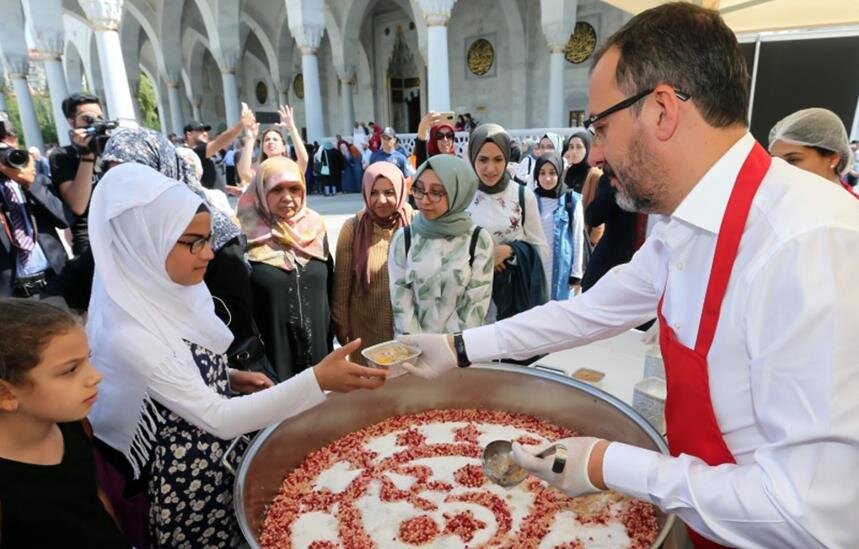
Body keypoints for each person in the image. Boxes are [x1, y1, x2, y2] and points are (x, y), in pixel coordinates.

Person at [396, 4, 859, 548]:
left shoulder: (805, 243)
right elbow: (591, 309)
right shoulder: (681, 224)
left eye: (601, 126)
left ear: (661, 110)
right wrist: (459, 346)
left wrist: (610, 464)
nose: (595, 151)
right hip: (706, 520)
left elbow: (813, 515)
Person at [86, 163, 386, 547]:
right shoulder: (130, 332)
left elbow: (177, 363)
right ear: (147, 243)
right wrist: (317, 380)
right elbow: (217, 416)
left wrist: (225, 377)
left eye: (208, 238)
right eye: (193, 242)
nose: (209, 253)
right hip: (185, 481)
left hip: (214, 461)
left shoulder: (168, 294)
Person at [0, 299, 130, 548]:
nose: (95, 376)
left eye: (87, 359)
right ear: (6, 395)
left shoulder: (71, 423)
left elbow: (92, 496)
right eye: (70, 370)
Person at [238, 156, 335, 381]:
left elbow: (329, 284)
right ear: (261, 191)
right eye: (277, 190)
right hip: (269, 363)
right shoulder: (243, 234)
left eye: (295, 189)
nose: (287, 198)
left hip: (318, 355)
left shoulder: (315, 227)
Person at [389, 155, 493, 334]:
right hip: (413, 352)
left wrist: (446, 348)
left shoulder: (478, 240)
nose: (424, 200)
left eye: (436, 192)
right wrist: (419, 345)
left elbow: (475, 306)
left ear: (457, 192)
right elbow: (401, 302)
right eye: (419, 190)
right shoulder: (404, 239)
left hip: (462, 351)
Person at [332, 162, 413, 363]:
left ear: (401, 191)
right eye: (374, 192)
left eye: (389, 192)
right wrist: (342, 326)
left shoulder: (414, 224)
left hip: (409, 332)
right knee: (370, 388)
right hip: (366, 330)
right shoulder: (353, 228)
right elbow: (341, 285)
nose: (381, 200)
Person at [467, 123, 548, 322]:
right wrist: (485, 259)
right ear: (472, 158)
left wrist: (510, 252)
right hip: (469, 302)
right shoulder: (462, 197)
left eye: (498, 159)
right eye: (483, 159)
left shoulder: (522, 195)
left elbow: (542, 250)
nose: (490, 168)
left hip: (513, 299)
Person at [0, 113, 69, 298]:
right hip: (11, 297)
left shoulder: (36, 180)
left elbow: (64, 219)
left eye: (7, 136)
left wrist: (29, 183)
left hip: (54, 284)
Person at [768, 107, 857, 197]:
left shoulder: (853, 209)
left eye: (792, 159)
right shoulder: (781, 200)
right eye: (775, 161)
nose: (780, 169)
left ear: (832, 158)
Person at [534, 152, 584, 299]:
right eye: (542, 173)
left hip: (562, 273)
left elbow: (577, 238)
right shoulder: (530, 200)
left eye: (552, 172)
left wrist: (576, 274)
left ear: (560, 173)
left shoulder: (571, 200)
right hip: (537, 272)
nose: (547, 178)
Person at [184, 103, 254, 192]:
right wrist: (241, 124)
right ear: (189, 135)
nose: (205, 133)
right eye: (200, 131)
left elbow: (206, 179)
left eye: (205, 131)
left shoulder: (197, 153)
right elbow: (220, 141)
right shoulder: (195, 152)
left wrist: (229, 189)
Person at [237, 105, 309, 189]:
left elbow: (303, 160)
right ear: (263, 148)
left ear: (283, 147)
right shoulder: (261, 172)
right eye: (267, 140)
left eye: (275, 139)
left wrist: (292, 128)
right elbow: (244, 173)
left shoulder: (290, 168)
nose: (271, 142)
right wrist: (250, 138)